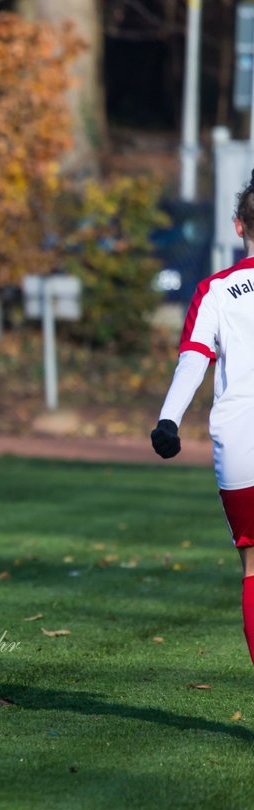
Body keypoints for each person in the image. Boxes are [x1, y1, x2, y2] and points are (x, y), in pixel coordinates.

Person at [152, 167, 254, 669]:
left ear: (239, 226)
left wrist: (167, 421)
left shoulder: (215, 291)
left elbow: (193, 359)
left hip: (240, 444)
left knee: (253, 568)